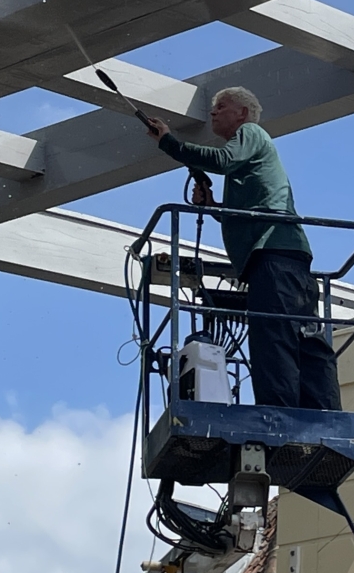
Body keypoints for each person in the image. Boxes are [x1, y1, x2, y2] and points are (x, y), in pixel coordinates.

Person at [145, 88, 341, 411]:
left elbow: (222, 160)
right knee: (304, 338)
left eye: (221, 107)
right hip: (287, 256)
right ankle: (324, 411)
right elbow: (253, 207)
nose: (213, 113)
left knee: (272, 339)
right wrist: (214, 205)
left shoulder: (250, 133)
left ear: (242, 114)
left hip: (272, 255)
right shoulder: (251, 158)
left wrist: (170, 143)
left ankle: (278, 415)